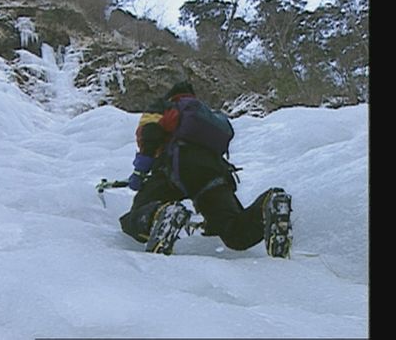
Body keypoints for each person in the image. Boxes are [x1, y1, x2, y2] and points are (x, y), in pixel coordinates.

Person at [118, 81, 293, 257]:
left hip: (176, 167)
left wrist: (139, 172)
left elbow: (149, 134)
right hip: (214, 172)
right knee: (235, 233)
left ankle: (162, 215)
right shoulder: (207, 114)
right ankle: (269, 204)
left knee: (134, 218)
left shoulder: (165, 106)